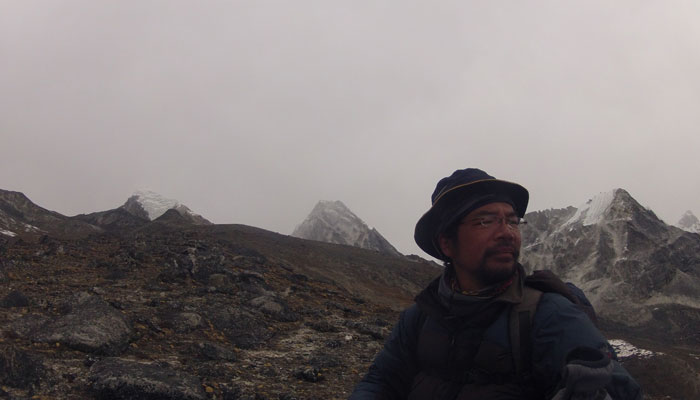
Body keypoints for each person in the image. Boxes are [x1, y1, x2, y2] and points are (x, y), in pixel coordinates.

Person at [349, 168, 642, 400]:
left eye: (512, 221)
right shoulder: (420, 317)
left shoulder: (549, 315)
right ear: (447, 243)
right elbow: (381, 382)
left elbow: (619, 389)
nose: (507, 233)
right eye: (485, 221)